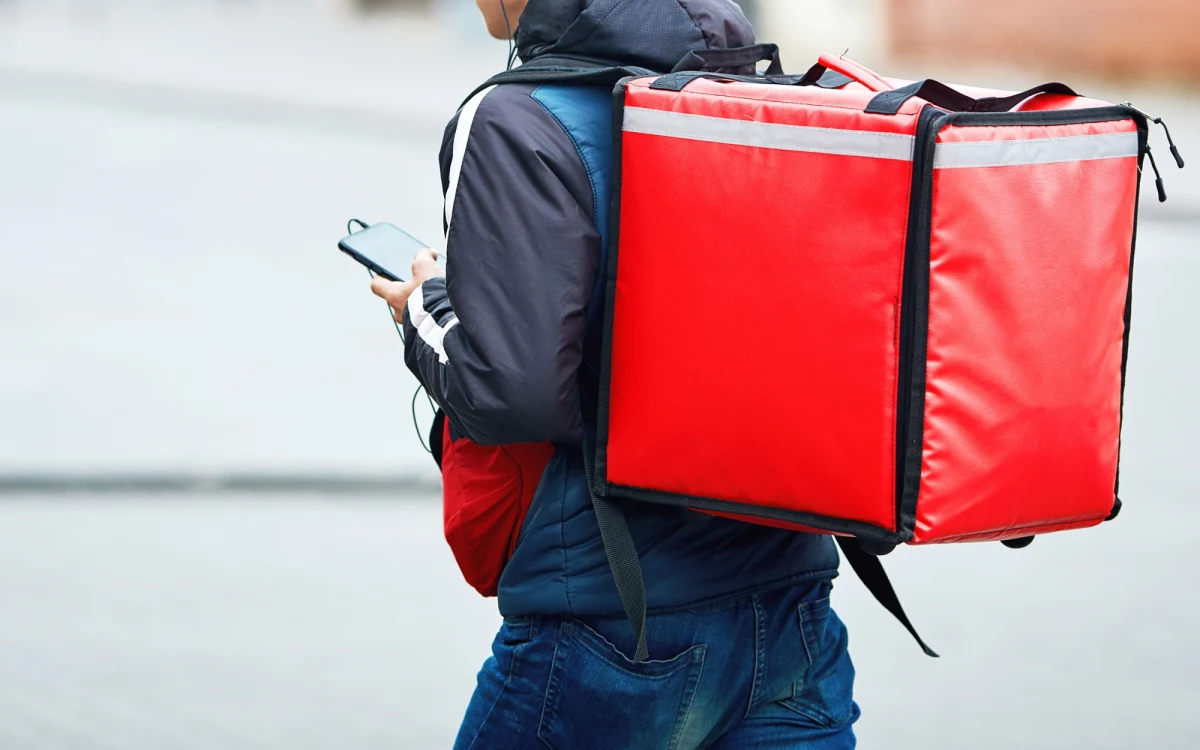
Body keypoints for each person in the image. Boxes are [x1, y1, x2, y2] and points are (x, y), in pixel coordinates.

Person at [370, 1, 858, 747]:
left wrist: (424, 310)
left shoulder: (516, 119)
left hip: (611, 625)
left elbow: (514, 391)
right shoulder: (758, 92)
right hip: (792, 609)